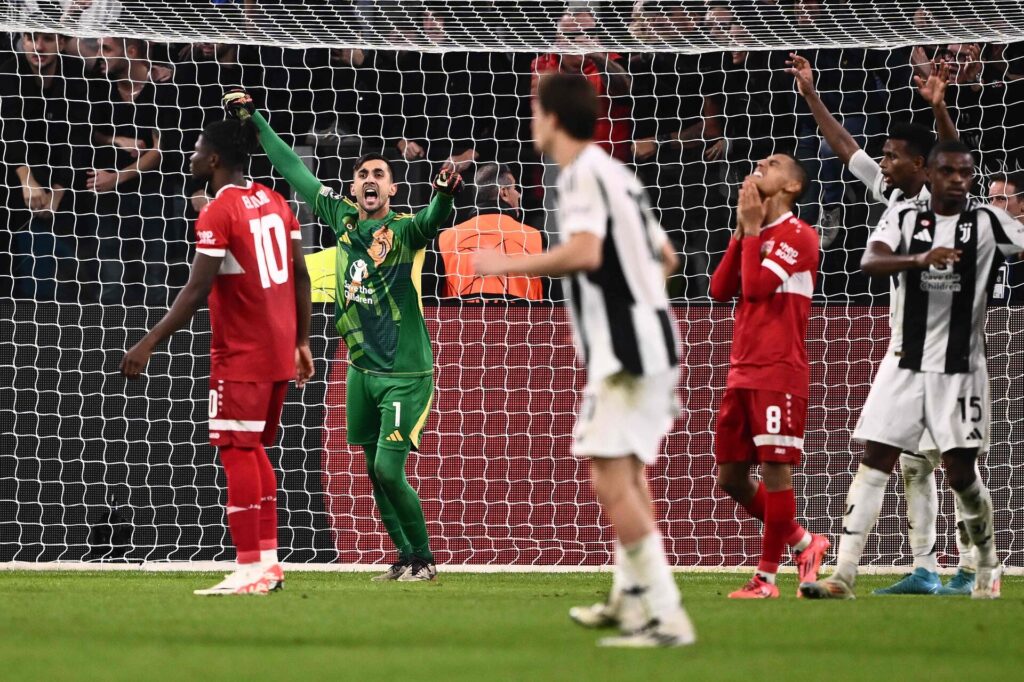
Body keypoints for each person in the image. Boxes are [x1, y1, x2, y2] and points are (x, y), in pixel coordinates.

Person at [474, 73, 693, 648]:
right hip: (651, 339)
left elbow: (586, 252)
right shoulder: (615, 172)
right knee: (629, 474)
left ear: (550, 118)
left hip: (625, 350)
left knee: (608, 475)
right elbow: (666, 257)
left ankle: (666, 617)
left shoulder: (580, 177)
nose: (530, 121)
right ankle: (630, 600)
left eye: (533, 110)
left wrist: (505, 267)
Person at [222, 88, 461, 582]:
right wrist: (256, 121)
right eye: (362, 175)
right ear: (352, 189)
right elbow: (294, 170)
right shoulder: (342, 218)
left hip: (406, 374)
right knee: (374, 472)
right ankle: (405, 560)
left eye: (379, 175)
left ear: (393, 190)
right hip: (360, 371)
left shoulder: (406, 230)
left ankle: (425, 559)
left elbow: (436, 220)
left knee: (391, 471)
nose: (369, 180)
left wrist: (443, 193)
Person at [788, 53, 981, 595]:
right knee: (903, 459)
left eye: (894, 156)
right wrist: (811, 95)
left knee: (951, 465)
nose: (884, 161)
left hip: (948, 356)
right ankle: (913, 569)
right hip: (906, 351)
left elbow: (952, 158)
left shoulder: (944, 198)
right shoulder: (894, 194)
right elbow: (847, 149)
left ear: (923, 165)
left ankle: (972, 568)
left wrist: (941, 108)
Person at [800, 141, 1023, 600]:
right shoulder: (902, 216)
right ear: (932, 174)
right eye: (949, 171)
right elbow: (870, 261)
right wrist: (919, 259)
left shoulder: (987, 222)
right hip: (903, 362)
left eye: (966, 172)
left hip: (960, 369)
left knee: (961, 472)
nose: (958, 179)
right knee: (877, 459)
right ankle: (843, 575)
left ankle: (985, 567)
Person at [120, 118, 314, 595]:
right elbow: (302, 275)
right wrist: (302, 341)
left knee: (235, 450)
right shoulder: (275, 200)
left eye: (196, 148)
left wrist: (148, 342)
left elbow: (197, 288)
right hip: (278, 347)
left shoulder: (218, 211)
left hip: (242, 352)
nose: (189, 156)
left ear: (214, 160)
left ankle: (249, 566)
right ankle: (267, 563)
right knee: (253, 450)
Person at [708, 154, 830, 598]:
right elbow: (720, 290)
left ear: (792, 187)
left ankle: (766, 579)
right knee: (730, 478)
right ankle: (804, 542)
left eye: (774, 163)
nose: (761, 162)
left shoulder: (800, 235)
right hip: (742, 369)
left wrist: (754, 230)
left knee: (777, 473)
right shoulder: (754, 230)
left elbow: (757, 289)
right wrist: (743, 231)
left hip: (779, 369)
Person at [0, 31, 91, 302]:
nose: (38, 46)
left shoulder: (75, 73)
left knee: (67, 272)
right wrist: (27, 180)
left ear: (62, 43)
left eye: (47, 39)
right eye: (31, 38)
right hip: (14, 176)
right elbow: (9, 128)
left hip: (65, 179)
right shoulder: (8, 71)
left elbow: (79, 135)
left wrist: (59, 191)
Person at [437, 163, 543, 301]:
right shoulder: (534, 236)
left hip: (463, 322)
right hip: (522, 321)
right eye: (515, 188)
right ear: (503, 192)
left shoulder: (445, 238)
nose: (518, 194)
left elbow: (427, 302)